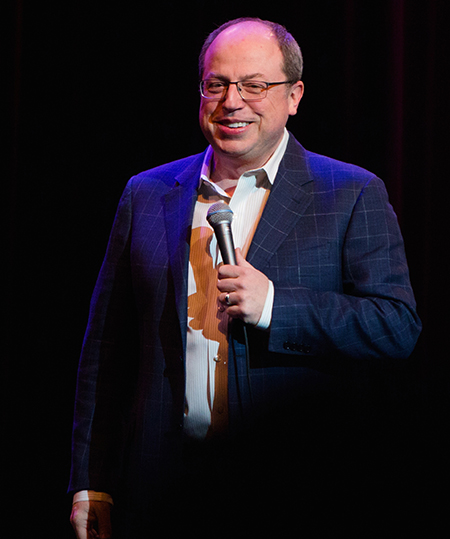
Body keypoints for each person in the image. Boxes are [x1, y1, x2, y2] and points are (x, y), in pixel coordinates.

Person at [69, 17, 421, 538]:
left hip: (294, 490)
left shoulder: (348, 193)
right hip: (163, 486)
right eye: (217, 84)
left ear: (294, 95)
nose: (232, 101)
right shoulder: (147, 193)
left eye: (255, 85)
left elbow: (396, 326)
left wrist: (276, 304)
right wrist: (91, 482)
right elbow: (106, 351)